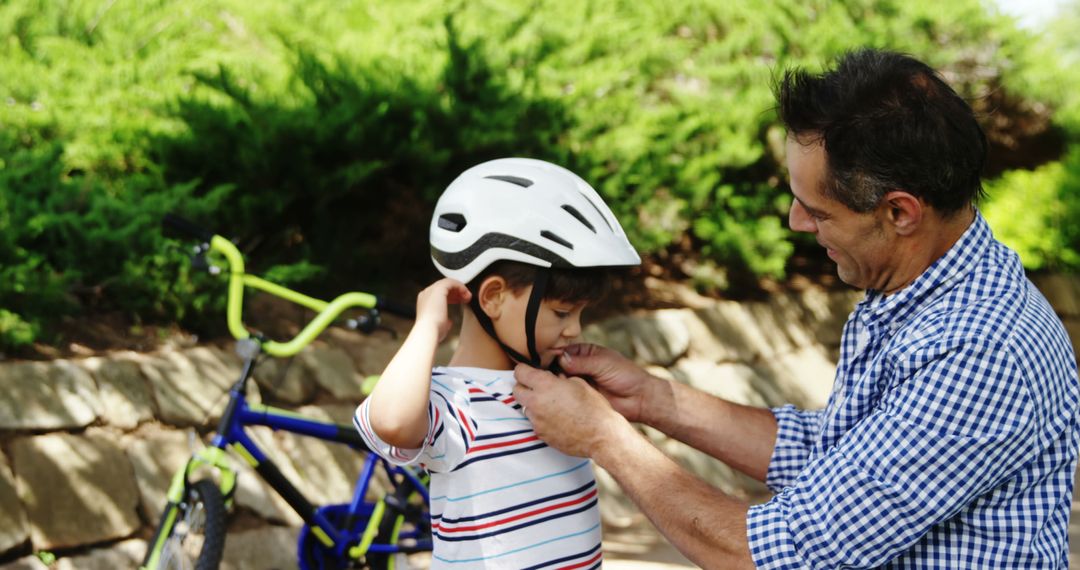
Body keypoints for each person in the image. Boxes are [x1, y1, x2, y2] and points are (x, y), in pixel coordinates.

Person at [513, 48, 1080, 569]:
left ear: (901, 213)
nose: (796, 222)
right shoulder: (921, 295)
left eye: (819, 211)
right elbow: (843, 458)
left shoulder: (977, 349)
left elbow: (788, 554)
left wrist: (605, 440)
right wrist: (651, 399)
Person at [353, 157, 641, 568]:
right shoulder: (458, 400)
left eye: (581, 314)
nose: (575, 329)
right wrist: (427, 328)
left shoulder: (559, 388)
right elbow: (393, 422)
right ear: (493, 297)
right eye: (562, 313)